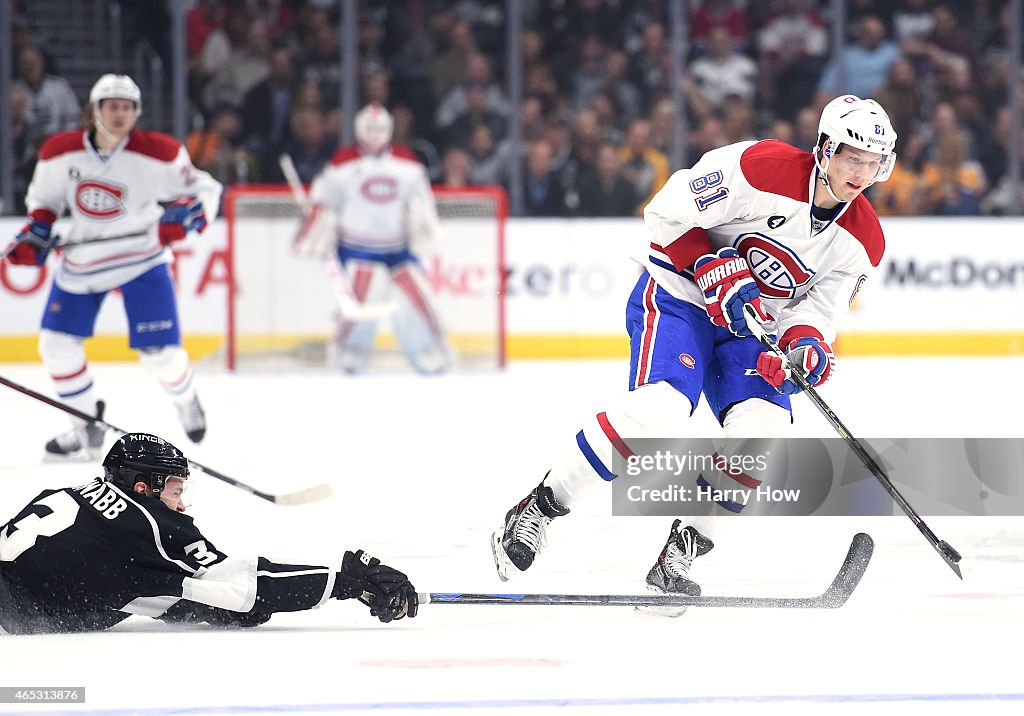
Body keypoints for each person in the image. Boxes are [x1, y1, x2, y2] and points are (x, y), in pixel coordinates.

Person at [491, 95, 896, 606]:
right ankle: (540, 507)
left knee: (764, 427)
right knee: (657, 412)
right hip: (680, 297)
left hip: (747, 328)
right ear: (824, 150)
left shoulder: (863, 241)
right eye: (851, 157)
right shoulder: (757, 168)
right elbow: (664, 212)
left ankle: (680, 551)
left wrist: (803, 350)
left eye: (872, 161)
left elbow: (817, 313)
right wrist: (708, 265)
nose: (860, 172)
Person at [0, 432, 417, 634]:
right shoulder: (147, 526)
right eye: (176, 490)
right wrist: (345, 583)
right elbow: (241, 582)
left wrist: (218, 611)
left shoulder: (74, 495)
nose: (181, 504)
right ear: (143, 487)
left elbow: (147, 588)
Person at [3, 74, 221, 458]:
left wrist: (188, 215)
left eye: (127, 107)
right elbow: (44, 201)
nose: (119, 114)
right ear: (95, 110)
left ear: (136, 113)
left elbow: (205, 190)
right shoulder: (60, 151)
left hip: (141, 257)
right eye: (111, 106)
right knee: (55, 345)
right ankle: (83, 423)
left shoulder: (160, 153)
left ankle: (186, 398)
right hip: (84, 261)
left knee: (161, 355)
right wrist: (37, 231)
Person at [295, 103, 451, 374]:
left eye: (381, 128)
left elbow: (422, 202)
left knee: (420, 300)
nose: (375, 134)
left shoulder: (406, 162)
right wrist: (313, 213)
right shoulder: (344, 161)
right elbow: (322, 199)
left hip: (398, 248)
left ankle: (429, 351)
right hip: (357, 248)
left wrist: (426, 224)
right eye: (370, 128)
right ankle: (350, 354)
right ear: (359, 129)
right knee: (359, 305)